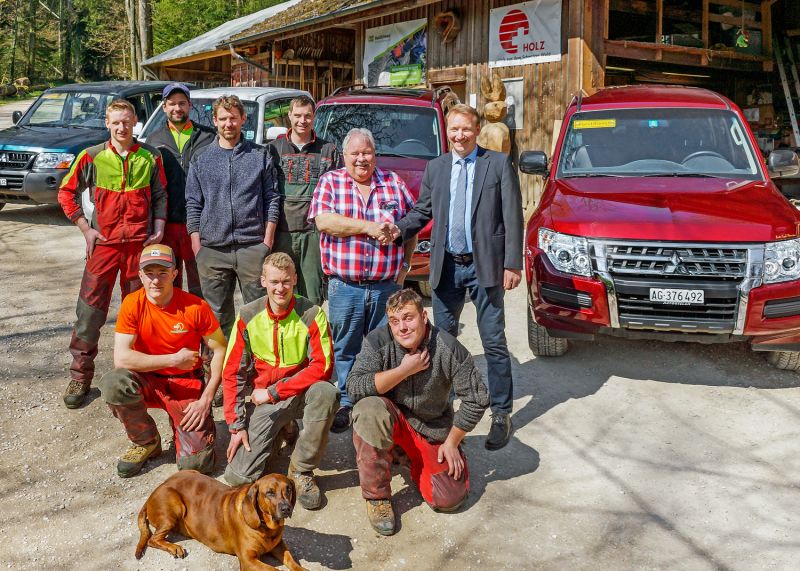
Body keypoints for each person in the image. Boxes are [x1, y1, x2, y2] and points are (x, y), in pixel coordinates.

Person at [392, 104, 523, 451]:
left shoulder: (496, 164)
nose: (460, 136)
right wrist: (397, 229)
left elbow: (512, 215)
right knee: (441, 342)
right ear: (446, 131)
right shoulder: (436, 167)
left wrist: (512, 263)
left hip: (486, 267)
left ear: (477, 130)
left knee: (493, 341)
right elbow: (422, 211)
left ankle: (500, 412)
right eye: (454, 130)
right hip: (447, 266)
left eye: (466, 129)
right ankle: (442, 412)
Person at [347, 288, 489, 535]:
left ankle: (407, 456)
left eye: (408, 318)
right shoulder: (378, 341)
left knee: (448, 498)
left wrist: (453, 442)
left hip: (431, 428)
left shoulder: (448, 348)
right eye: (395, 321)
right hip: (390, 420)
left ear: (424, 317)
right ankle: (377, 496)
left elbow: (476, 398)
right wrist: (403, 370)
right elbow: (354, 387)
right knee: (367, 408)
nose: (402, 327)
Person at [58, 99, 167, 409]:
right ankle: (80, 374)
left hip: (138, 247)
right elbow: (66, 192)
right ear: (107, 123)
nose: (122, 127)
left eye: (127, 121)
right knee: (90, 311)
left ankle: (138, 375)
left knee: (140, 313)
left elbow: (160, 194)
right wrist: (85, 227)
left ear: (136, 123)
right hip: (103, 246)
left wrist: (157, 229)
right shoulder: (91, 156)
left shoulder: (150, 157)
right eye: (116, 122)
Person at [308, 127, 416, 433]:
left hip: (386, 285)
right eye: (355, 153)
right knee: (346, 345)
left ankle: (377, 401)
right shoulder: (331, 181)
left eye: (367, 152)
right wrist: (368, 227)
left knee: (383, 346)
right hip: (346, 285)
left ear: (375, 155)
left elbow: (411, 224)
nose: (361, 159)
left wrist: (405, 264)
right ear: (344, 156)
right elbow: (324, 221)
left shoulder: (392, 183)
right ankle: (346, 400)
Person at [96, 244, 227, 478]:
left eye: (163, 273)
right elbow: (122, 357)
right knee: (114, 383)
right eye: (150, 273)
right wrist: (173, 359)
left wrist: (206, 399)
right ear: (140, 275)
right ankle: (146, 441)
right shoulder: (132, 304)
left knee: (196, 466)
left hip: (184, 384)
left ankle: (184, 428)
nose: (156, 281)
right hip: (148, 380)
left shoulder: (196, 306)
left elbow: (220, 349)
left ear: (175, 274)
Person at [222, 253, 338, 510]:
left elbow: (323, 366)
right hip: (265, 402)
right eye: (274, 281)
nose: (280, 288)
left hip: (297, 394)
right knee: (237, 477)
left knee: (326, 393)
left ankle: (302, 470)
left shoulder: (312, 313)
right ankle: (284, 430)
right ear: (263, 281)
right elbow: (232, 372)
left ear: (295, 279)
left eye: (286, 281)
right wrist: (236, 425)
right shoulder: (247, 315)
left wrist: (274, 391)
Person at [185, 94, 280, 339]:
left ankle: (255, 371)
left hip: (252, 247)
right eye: (224, 119)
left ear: (243, 120)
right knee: (217, 318)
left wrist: (266, 242)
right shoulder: (201, 159)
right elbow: (193, 203)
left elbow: (272, 199)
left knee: (258, 315)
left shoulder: (260, 156)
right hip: (212, 250)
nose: (229, 124)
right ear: (215, 121)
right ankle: (220, 372)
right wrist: (197, 244)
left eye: (234, 118)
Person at [268, 95, 340, 305]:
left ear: (314, 117)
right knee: (281, 292)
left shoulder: (329, 151)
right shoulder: (273, 150)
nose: (302, 120)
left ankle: (311, 335)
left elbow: (337, 196)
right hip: (282, 232)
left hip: (314, 235)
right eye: (297, 115)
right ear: (289, 116)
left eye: (307, 115)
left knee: (312, 295)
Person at [146, 82, 215, 297]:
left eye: (182, 103)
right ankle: (174, 326)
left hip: (200, 223)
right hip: (167, 224)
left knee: (201, 281)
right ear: (164, 107)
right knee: (168, 279)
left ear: (190, 106)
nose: (178, 108)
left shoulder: (208, 137)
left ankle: (200, 326)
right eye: (172, 103)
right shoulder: (154, 140)